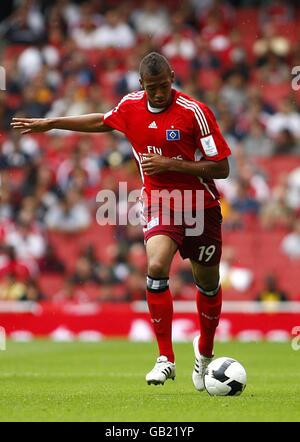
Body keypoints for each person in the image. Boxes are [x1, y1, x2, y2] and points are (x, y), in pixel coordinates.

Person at [11, 52, 231, 391]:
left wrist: (173, 165)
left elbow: (221, 168)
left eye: (164, 86)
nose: (159, 93)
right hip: (160, 202)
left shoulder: (195, 112)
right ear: (141, 84)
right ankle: (165, 359)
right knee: (156, 266)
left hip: (200, 206)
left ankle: (204, 353)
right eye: (152, 88)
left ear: (173, 77)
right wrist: (51, 123)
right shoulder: (130, 107)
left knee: (208, 284)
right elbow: (101, 120)